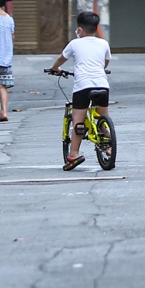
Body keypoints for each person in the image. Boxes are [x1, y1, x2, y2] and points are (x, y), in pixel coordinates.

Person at [50, 11, 111, 171]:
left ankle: (74, 154)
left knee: (78, 120)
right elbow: (105, 62)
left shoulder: (74, 43)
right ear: (96, 28)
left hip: (83, 86)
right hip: (102, 84)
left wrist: (55, 69)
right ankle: (109, 147)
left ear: (79, 29)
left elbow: (61, 59)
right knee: (103, 116)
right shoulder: (103, 43)